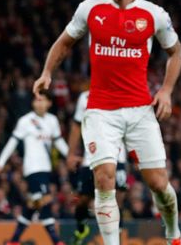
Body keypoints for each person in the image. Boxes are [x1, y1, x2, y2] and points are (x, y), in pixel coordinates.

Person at [33, 0, 181, 245]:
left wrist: (166, 90)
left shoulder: (154, 15)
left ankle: (174, 234)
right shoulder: (91, 9)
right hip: (101, 110)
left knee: (159, 185)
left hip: (141, 110)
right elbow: (64, 43)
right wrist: (47, 72)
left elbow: (175, 52)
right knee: (104, 179)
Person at [0, 90, 68, 245]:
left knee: (34, 204)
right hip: (32, 168)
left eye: (42, 100)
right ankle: (56, 241)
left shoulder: (52, 121)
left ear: (49, 103)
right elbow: (12, 142)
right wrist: (0, 163)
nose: (38, 103)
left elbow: (59, 142)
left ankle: (14, 240)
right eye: (36, 100)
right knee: (45, 199)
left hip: (46, 168)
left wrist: (71, 156)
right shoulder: (25, 121)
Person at [67, 89, 128, 245]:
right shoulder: (85, 96)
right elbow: (76, 126)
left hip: (117, 155)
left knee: (117, 200)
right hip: (91, 157)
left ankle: (116, 241)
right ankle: (81, 229)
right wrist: (71, 153)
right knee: (82, 200)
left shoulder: (121, 91)